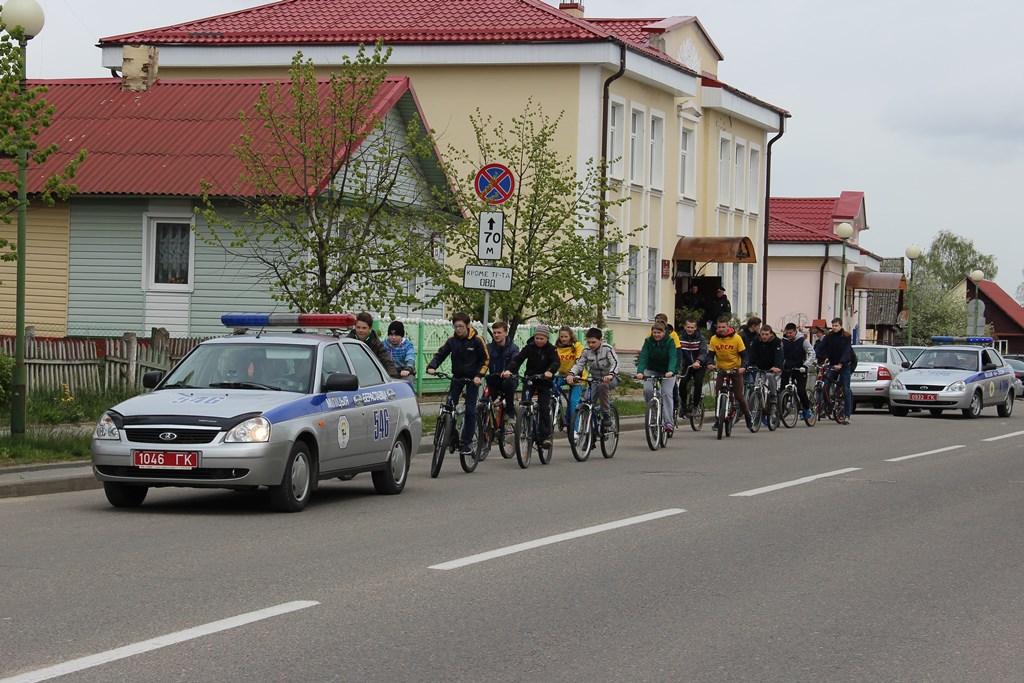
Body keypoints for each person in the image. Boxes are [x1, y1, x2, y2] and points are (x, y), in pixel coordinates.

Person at [426, 312, 490, 455]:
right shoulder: (452, 341)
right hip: (457, 377)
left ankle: (467, 443)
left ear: (468, 325)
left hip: (473, 379)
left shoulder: (477, 340)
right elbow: (441, 354)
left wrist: (479, 375)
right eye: (455, 326)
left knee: (470, 410)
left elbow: (485, 360)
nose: (458, 329)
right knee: (449, 407)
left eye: (461, 326)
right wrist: (432, 366)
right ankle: (450, 433)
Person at [501, 324, 560, 448]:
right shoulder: (529, 347)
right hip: (530, 380)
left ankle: (545, 437)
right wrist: (509, 370)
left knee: (544, 408)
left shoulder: (551, 349)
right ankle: (525, 429)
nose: (538, 341)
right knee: (524, 404)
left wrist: (550, 372)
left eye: (541, 338)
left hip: (544, 382)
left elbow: (556, 362)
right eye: (537, 338)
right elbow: (518, 359)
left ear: (547, 338)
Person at [566, 327, 620, 430]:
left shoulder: (607, 349)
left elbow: (615, 363)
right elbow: (579, 364)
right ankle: (587, 431)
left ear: (600, 340)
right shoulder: (586, 351)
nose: (590, 345)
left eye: (593, 342)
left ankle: (606, 414)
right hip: (595, 379)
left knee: (602, 386)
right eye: (589, 342)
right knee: (586, 403)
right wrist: (571, 374)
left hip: (610, 378)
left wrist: (611, 374)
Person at [706, 315, 752, 430]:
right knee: (718, 394)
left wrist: (743, 367)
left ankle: (747, 415)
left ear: (728, 327)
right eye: (719, 327)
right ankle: (718, 419)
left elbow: (744, 356)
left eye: (724, 327)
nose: (721, 329)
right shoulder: (714, 339)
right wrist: (710, 364)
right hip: (721, 369)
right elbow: (710, 355)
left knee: (739, 396)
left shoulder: (736, 338)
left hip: (735, 370)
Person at [635, 321, 678, 433]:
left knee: (666, 393)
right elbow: (644, 357)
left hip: (667, 372)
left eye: (659, 332)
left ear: (664, 333)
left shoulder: (670, 342)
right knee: (647, 390)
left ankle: (669, 422)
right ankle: (653, 415)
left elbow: (673, 357)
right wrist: (640, 372)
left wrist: (671, 371)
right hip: (652, 370)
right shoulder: (648, 342)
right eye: (654, 332)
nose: (656, 335)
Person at [816, 317, 853, 425]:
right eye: (833, 325)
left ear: (841, 326)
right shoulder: (829, 336)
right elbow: (821, 346)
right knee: (825, 384)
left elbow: (847, 351)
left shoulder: (846, 336)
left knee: (846, 389)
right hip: (832, 364)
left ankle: (847, 415)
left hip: (844, 365)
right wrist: (815, 355)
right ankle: (828, 407)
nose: (834, 327)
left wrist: (841, 363)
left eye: (836, 325)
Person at [486, 320, 520, 429]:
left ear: (506, 333)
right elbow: (482, 361)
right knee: (488, 380)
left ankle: (510, 411)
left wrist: (509, 371)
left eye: (499, 332)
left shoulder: (513, 348)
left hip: (509, 378)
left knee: (508, 383)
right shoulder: (489, 348)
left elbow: (516, 361)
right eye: (494, 332)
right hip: (494, 379)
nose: (496, 335)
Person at [747, 324, 783, 425]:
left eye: (766, 334)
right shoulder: (756, 341)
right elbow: (752, 355)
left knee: (770, 379)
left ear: (771, 334)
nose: (764, 336)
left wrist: (777, 366)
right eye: (762, 334)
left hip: (773, 368)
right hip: (760, 368)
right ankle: (758, 411)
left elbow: (779, 356)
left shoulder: (777, 342)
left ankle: (773, 396)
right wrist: (750, 366)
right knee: (757, 386)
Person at [349, 312, 399, 378]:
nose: (360, 330)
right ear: (354, 327)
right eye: (358, 327)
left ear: (370, 329)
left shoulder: (376, 344)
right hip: (350, 377)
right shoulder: (348, 341)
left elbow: (387, 361)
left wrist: (393, 378)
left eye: (364, 328)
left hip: (370, 378)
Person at [781, 322, 814, 421]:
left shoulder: (802, 341)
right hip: (787, 368)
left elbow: (812, 353)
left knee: (801, 390)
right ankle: (780, 412)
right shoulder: (783, 341)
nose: (789, 335)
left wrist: (805, 365)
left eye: (790, 333)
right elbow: (779, 354)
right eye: (787, 333)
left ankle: (807, 408)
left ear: (795, 332)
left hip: (800, 369)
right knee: (782, 390)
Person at [677, 317, 708, 415]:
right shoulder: (680, 338)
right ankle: (683, 405)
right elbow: (678, 353)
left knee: (698, 382)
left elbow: (703, 351)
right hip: (688, 366)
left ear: (695, 328)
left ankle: (695, 405)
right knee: (682, 383)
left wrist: (698, 361)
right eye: (688, 327)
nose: (690, 329)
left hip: (699, 365)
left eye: (692, 327)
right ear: (685, 327)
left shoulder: (700, 338)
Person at [554, 326, 584, 430]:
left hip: (577, 377)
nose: (563, 339)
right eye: (561, 336)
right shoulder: (557, 347)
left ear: (570, 336)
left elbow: (579, 361)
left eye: (566, 336)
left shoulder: (577, 346)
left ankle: (575, 430)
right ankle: (558, 409)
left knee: (572, 403)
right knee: (551, 386)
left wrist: (574, 375)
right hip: (562, 376)